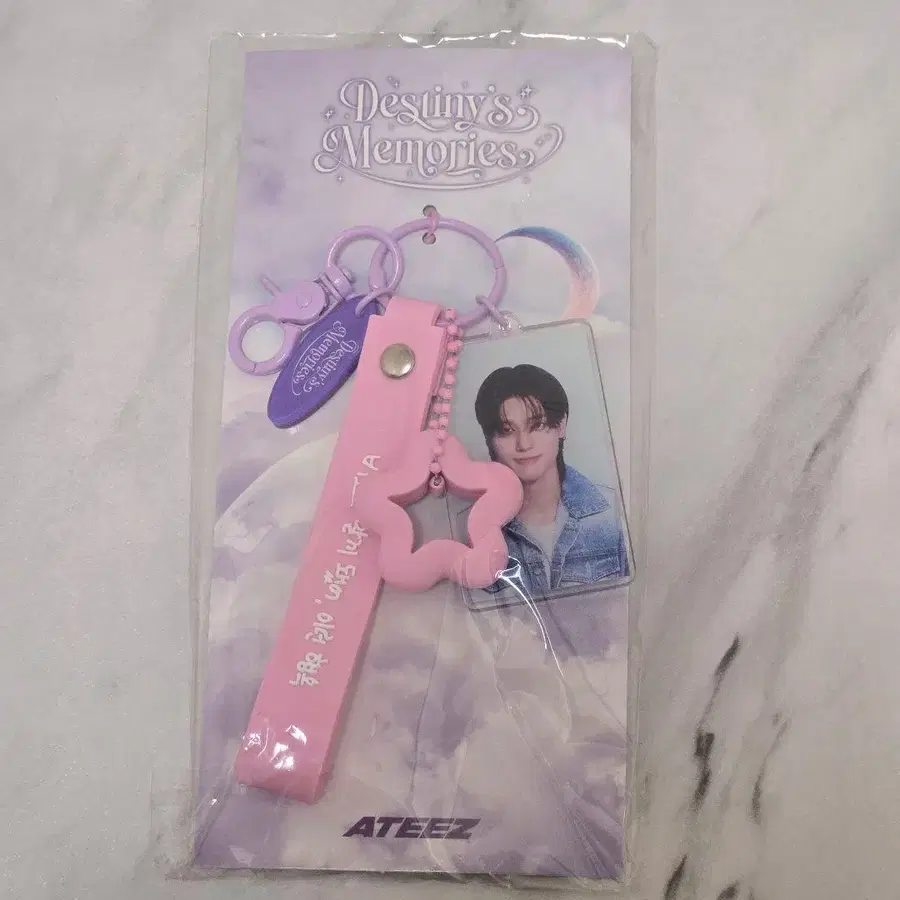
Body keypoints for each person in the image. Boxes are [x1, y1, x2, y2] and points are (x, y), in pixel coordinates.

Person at [473, 364, 629, 597]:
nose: (523, 444)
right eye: (507, 430)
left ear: (561, 425)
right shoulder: (474, 528)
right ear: (490, 439)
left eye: (537, 426)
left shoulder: (611, 513)